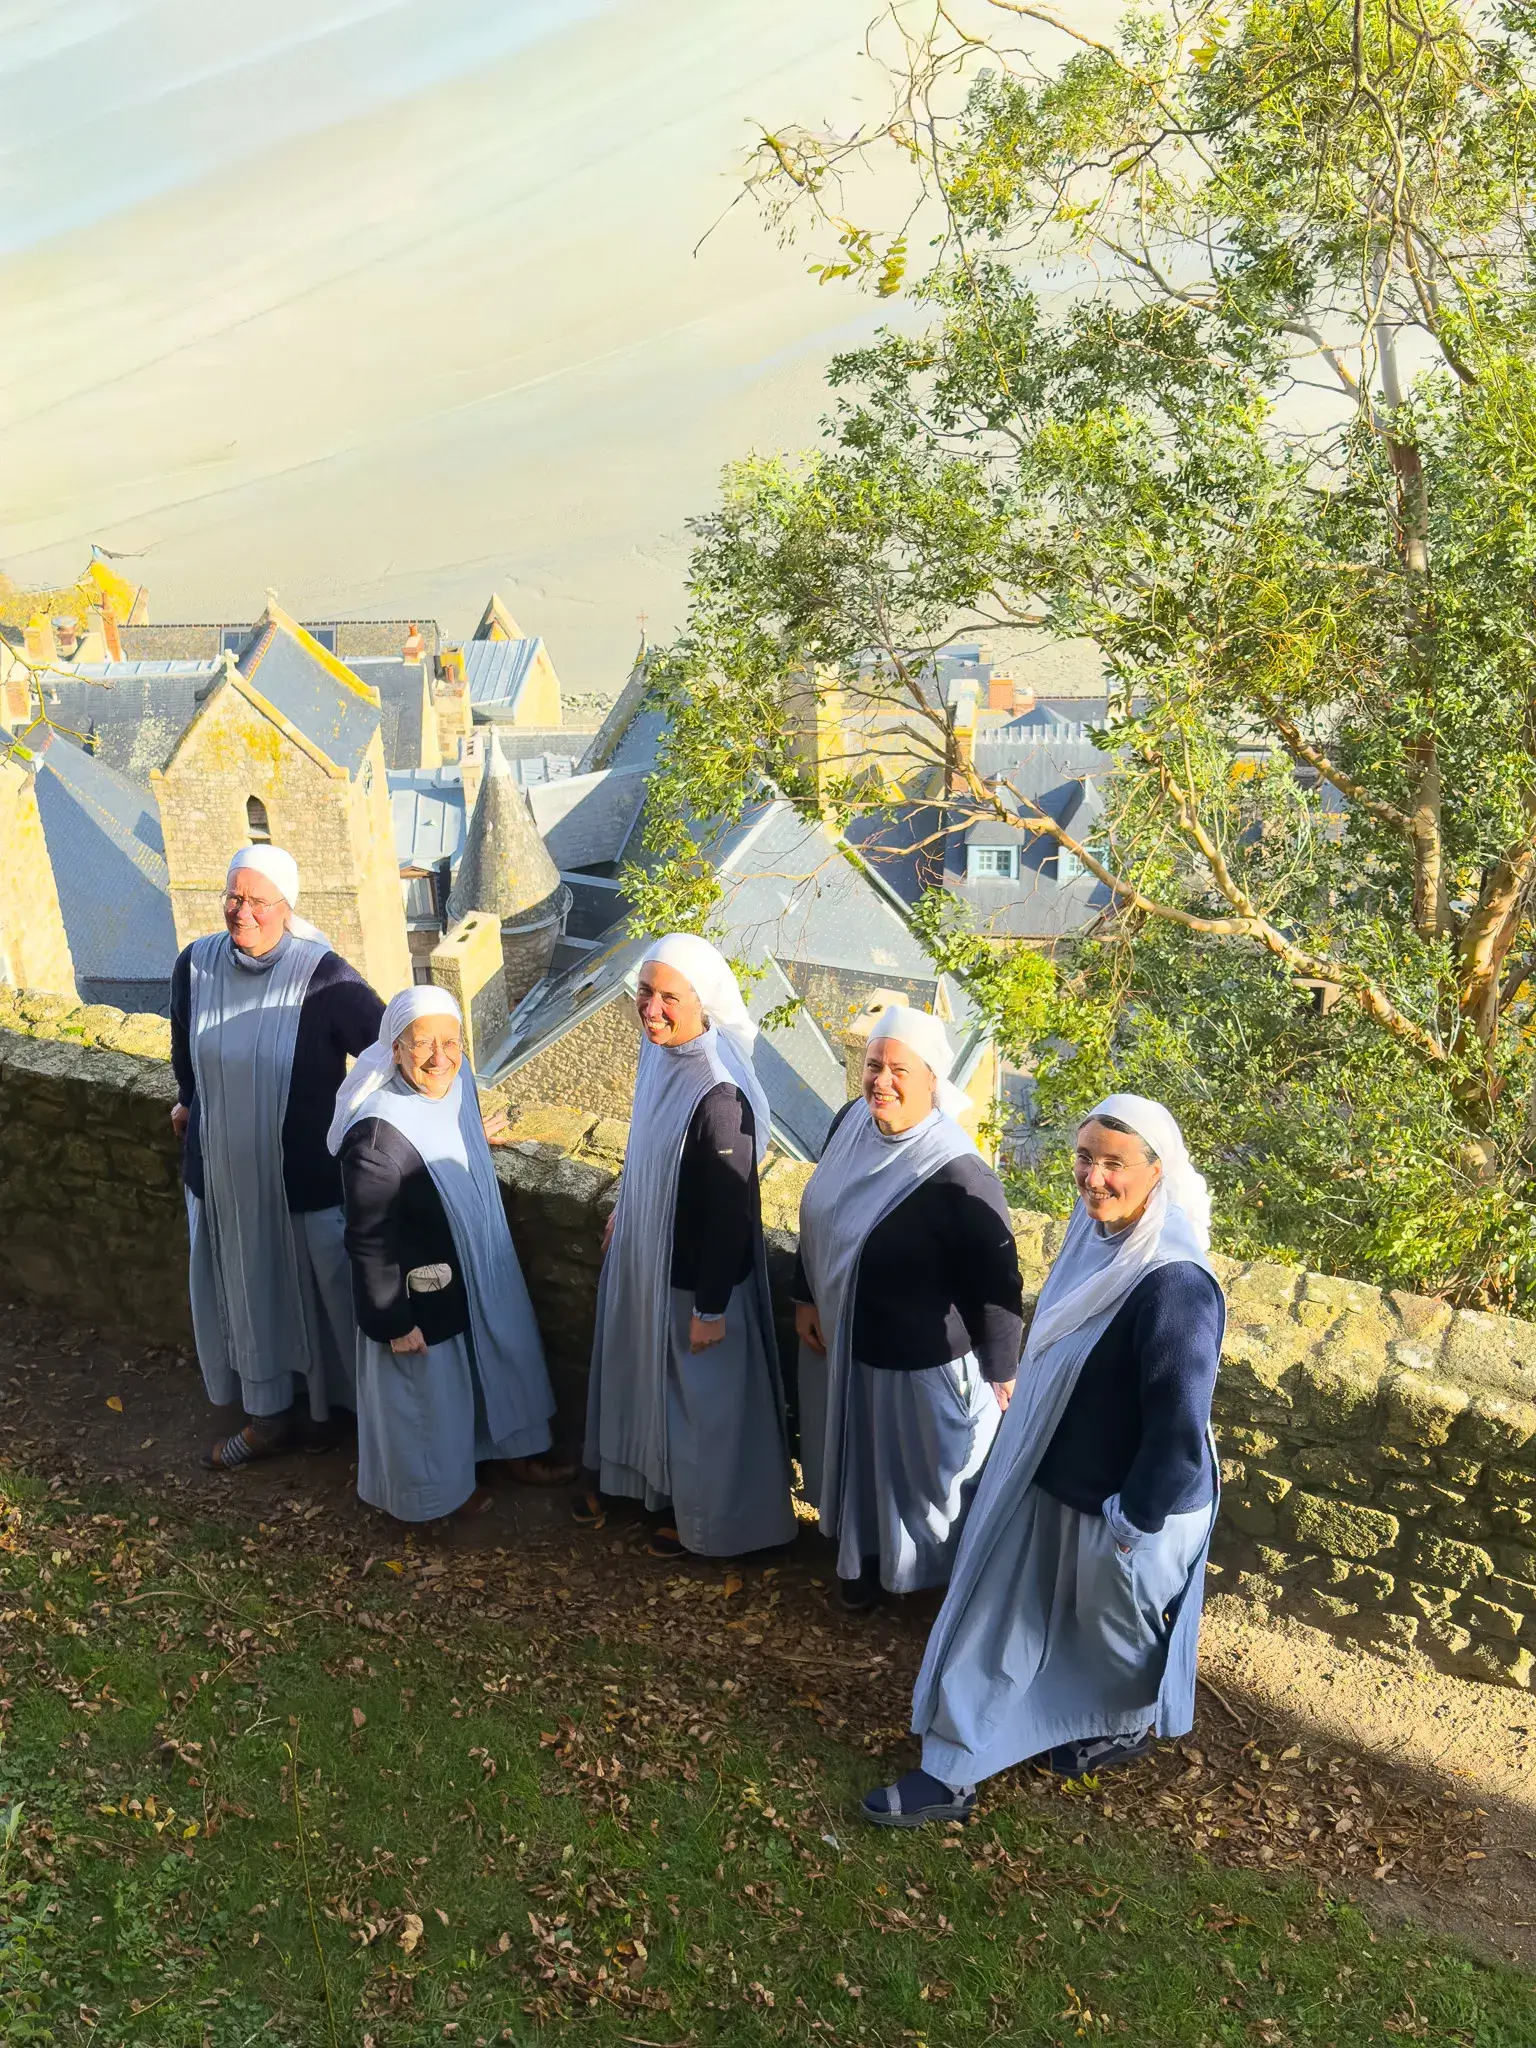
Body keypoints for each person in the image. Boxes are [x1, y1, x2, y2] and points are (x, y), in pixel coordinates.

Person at [861, 1094, 1225, 1827]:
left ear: (1158, 1172)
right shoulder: (1096, 1239)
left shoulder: (1173, 1282)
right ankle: (951, 1769)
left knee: (1112, 1635)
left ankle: (1121, 1723)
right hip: (1054, 1484)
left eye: (1113, 1164)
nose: (1093, 1178)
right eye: (1085, 1159)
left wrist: (1132, 1522)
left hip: (1131, 1505)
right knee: (999, 1625)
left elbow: (1179, 1429)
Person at [793, 1004, 1023, 1612]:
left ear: (932, 1083)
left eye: (899, 1069)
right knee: (866, 1474)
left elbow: (996, 1279)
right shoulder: (849, 1124)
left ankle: (929, 1592)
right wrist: (805, 1294)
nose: (881, 1081)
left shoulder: (957, 1173)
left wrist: (1003, 1371)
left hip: (921, 1361)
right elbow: (820, 1213)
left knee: (922, 1487)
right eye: (873, 1064)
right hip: (851, 1342)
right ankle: (865, 1568)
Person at [575, 933, 796, 1559]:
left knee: (703, 1408)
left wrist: (709, 1308)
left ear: (704, 1003)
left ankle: (715, 1525)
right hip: (645, 1256)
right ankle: (647, 1487)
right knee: (646, 1381)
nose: (652, 1010)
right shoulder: (660, 1053)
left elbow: (728, 1213)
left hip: (695, 1279)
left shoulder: (720, 1095)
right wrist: (627, 1205)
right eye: (645, 994)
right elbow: (647, 1146)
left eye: (669, 998)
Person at [170, 845, 384, 1470]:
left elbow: (391, 1049)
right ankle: (270, 1416)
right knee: (247, 1296)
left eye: (257, 901)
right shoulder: (195, 966)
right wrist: (187, 1102)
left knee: (323, 1303)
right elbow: (185, 1053)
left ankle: (333, 1418)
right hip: (222, 1179)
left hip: (301, 1182)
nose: (242, 912)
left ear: (285, 908)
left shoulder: (325, 978)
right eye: (234, 897)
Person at [329, 987, 574, 1522]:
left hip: (478, 1262)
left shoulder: (456, 1081)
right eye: (422, 1045)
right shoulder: (375, 1140)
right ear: (394, 1050)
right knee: (428, 1398)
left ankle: (505, 1453)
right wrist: (392, 1319)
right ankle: (432, 1499)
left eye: (451, 1041)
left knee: (494, 1357)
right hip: (418, 1293)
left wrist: (470, 1137)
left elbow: (446, 1129)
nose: (440, 1057)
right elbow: (368, 1239)